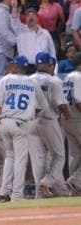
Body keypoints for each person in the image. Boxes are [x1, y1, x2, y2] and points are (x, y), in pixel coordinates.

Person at [0, 55, 49, 201]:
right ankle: (16, 195)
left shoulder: (5, 79)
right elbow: (42, 106)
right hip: (21, 123)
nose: (10, 66)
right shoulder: (32, 82)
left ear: (17, 67)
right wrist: (30, 114)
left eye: (13, 64)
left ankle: (4, 192)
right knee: (20, 160)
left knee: (9, 157)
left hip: (4, 123)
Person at [29, 52, 71, 198]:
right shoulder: (54, 80)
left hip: (31, 122)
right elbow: (61, 105)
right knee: (59, 156)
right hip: (48, 120)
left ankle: (39, 193)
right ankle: (47, 181)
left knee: (38, 159)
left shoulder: (29, 79)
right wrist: (68, 115)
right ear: (50, 65)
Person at [10, 6, 56, 75]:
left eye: (33, 15)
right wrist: (14, 7)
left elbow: (52, 51)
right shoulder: (20, 31)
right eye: (28, 16)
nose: (31, 18)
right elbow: (14, 21)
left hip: (43, 68)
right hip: (26, 68)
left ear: (37, 18)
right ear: (25, 19)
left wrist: (53, 65)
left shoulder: (45, 33)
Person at [62, 52, 81, 196]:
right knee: (75, 154)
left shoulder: (68, 77)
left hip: (67, 118)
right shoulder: (79, 77)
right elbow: (79, 100)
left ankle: (73, 189)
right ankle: (74, 181)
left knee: (75, 154)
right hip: (77, 118)